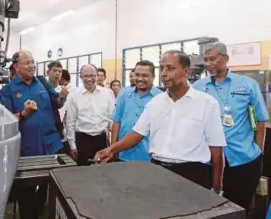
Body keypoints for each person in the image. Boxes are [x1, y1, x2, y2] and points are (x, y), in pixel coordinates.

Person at [95, 50, 226, 192]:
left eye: (170, 68)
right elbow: (136, 134)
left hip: (192, 173)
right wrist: (111, 150)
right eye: (162, 68)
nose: (164, 73)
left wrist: (217, 186)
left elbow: (216, 148)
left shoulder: (207, 103)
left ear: (186, 72)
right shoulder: (155, 103)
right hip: (157, 171)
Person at [194, 42, 269, 211]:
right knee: (209, 208)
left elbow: (260, 120)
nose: (208, 64)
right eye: (205, 60)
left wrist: (258, 151)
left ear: (226, 59)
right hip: (208, 160)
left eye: (213, 59)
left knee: (240, 208)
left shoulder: (248, 85)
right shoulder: (198, 87)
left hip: (243, 158)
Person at [0, 50, 69, 219]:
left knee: (60, 186)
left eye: (33, 62)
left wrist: (62, 97)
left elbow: (56, 104)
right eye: (27, 62)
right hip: (27, 149)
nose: (31, 65)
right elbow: (3, 121)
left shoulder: (43, 83)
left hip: (52, 144)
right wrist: (23, 113)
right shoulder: (8, 90)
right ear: (15, 66)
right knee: (26, 194)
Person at [111, 60, 162, 162]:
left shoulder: (160, 97)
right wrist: (113, 149)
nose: (139, 79)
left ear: (153, 76)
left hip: (149, 157)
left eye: (145, 75)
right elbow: (117, 122)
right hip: (124, 154)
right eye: (137, 75)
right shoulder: (124, 94)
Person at [66, 64, 115, 166]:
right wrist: (72, 145)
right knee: (84, 174)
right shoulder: (74, 95)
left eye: (92, 75)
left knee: (104, 172)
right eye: (86, 76)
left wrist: (114, 144)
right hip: (82, 140)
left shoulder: (107, 93)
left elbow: (111, 119)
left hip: (101, 139)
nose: (89, 79)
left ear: (97, 76)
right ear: (81, 77)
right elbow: (70, 122)